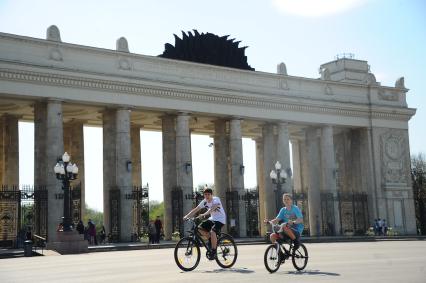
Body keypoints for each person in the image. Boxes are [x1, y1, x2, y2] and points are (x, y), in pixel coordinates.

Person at [183, 188, 226, 260]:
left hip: (220, 219)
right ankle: (210, 240)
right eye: (205, 194)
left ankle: (214, 251)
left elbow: (213, 208)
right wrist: (187, 216)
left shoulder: (216, 199)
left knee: (213, 231)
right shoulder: (204, 202)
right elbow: (196, 209)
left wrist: (204, 214)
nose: (207, 196)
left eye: (208, 194)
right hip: (212, 219)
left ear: (211, 195)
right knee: (199, 228)